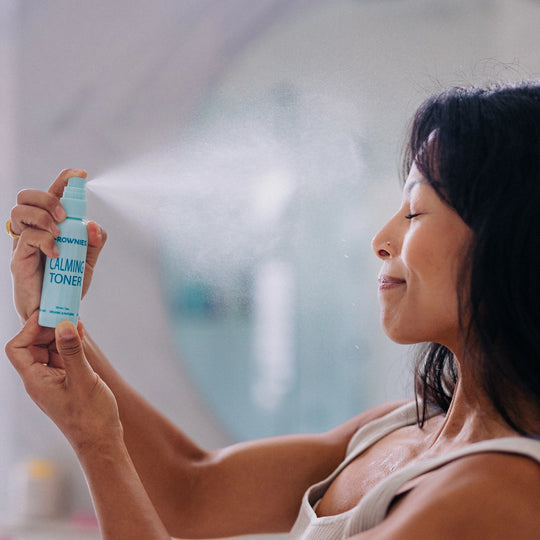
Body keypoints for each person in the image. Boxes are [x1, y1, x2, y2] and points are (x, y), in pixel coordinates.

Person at [5, 80, 540, 539]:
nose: (381, 239)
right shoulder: (401, 429)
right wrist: (63, 325)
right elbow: (190, 489)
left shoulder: (496, 492)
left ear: (512, 242)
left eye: (416, 210)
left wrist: (95, 442)